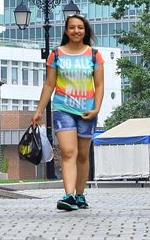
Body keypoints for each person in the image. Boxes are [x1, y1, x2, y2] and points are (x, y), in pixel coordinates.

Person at [32, 14, 104, 211]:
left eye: (80, 27)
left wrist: (96, 108)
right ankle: (69, 195)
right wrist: (39, 110)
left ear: (85, 30)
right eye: (72, 27)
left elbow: (99, 84)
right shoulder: (56, 54)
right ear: (66, 31)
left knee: (82, 155)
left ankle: (80, 195)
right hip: (63, 108)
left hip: (87, 110)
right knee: (68, 151)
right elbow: (49, 84)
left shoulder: (93, 55)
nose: (76, 31)